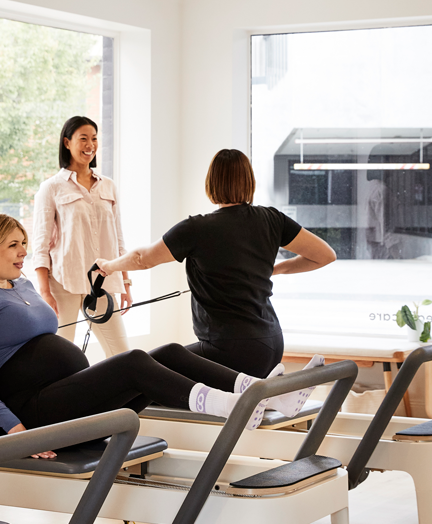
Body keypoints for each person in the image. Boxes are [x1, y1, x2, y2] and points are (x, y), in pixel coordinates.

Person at [0, 213, 318, 458]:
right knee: (136, 363)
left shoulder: (19, 285)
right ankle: (232, 406)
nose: (24, 252)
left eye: (24, 243)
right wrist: (15, 431)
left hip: (66, 396)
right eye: (14, 245)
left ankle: (260, 393)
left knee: (168, 351)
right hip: (37, 413)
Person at [96, 149, 336, 375]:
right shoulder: (272, 219)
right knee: (165, 366)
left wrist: (108, 266)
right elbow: (325, 255)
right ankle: (267, 398)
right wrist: (275, 270)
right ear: (248, 181)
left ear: (211, 183)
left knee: (139, 370)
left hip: (229, 349)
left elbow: (142, 259)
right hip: (272, 343)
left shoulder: (197, 228)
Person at [32, 115, 131, 358]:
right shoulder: (51, 187)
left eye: (94, 139)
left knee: (121, 354)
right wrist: (44, 292)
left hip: (101, 282)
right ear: (67, 143)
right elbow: (41, 244)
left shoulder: (108, 186)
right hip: (62, 282)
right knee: (60, 358)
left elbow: (118, 239)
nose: (90, 145)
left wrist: (126, 282)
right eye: (83, 138)